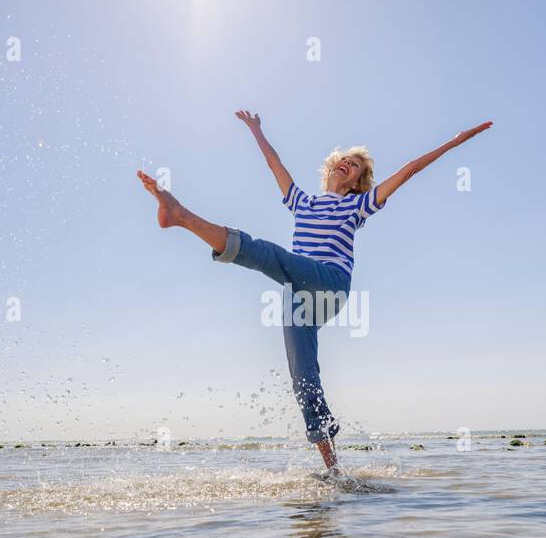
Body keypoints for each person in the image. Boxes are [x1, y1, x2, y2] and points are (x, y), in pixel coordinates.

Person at [137, 111, 492, 472]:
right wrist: (256, 130)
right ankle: (334, 470)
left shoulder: (358, 205)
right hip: (298, 293)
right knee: (304, 379)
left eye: (354, 166)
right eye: (344, 160)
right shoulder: (301, 202)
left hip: (330, 282)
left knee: (270, 254)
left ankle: (179, 214)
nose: (347, 165)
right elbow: (273, 162)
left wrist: (457, 139)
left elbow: (411, 169)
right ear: (332, 167)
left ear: (358, 182)